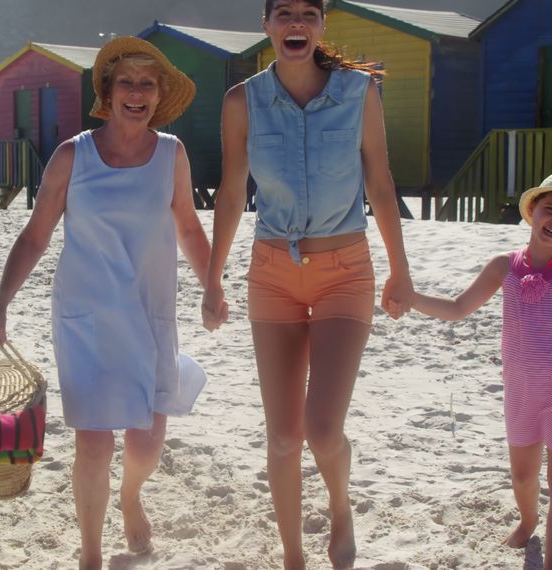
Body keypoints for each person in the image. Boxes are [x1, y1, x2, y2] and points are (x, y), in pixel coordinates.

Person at [0, 37, 210, 570]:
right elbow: (35, 236)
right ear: (107, 91)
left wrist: (212, 287)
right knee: (95, 445)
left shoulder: (172, 154)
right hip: (87, 318)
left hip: (150, 314)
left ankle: (130, 497)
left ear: (158, 96)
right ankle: (91, 554)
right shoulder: (70, 156)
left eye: (147, 84)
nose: (136, 92)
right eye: (126, 81)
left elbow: (190, 228)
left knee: (147, 444)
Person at [200, 1, 414, 567]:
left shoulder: (358, 92)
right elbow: (229, 192)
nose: (297, 23)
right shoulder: (241, 101)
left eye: (309, 13)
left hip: (345, 270)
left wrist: (400, 268)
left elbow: (382, 182)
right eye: (284, 13)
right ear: (266, 25)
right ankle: (294, 554)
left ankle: (340, 508)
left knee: (322, 431)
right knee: (282, 439)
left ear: (322, 25)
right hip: (272, 276)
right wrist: (213, 278)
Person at [408, 171, 552, 569]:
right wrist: (409, 298)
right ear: (532, 210)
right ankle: (529, 519)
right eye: (551, 210)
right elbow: (456, 308)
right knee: (522, 477)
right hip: (522, 392)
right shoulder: (504, 266)